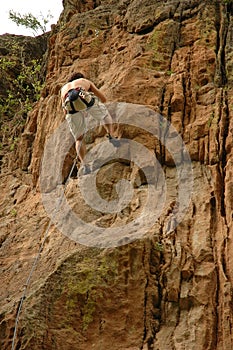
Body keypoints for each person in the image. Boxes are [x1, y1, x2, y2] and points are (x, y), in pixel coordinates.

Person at [61, 72, 118, 175]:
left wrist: (79, 113)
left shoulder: (64, 88)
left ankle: (85, 164)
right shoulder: (84, 81)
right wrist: (89, 106)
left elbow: (65, 112)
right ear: (81, 78)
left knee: (78, 138)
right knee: (105, 115)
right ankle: (111, 135)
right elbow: (103, 99)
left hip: (69, 103)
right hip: (82, 95)